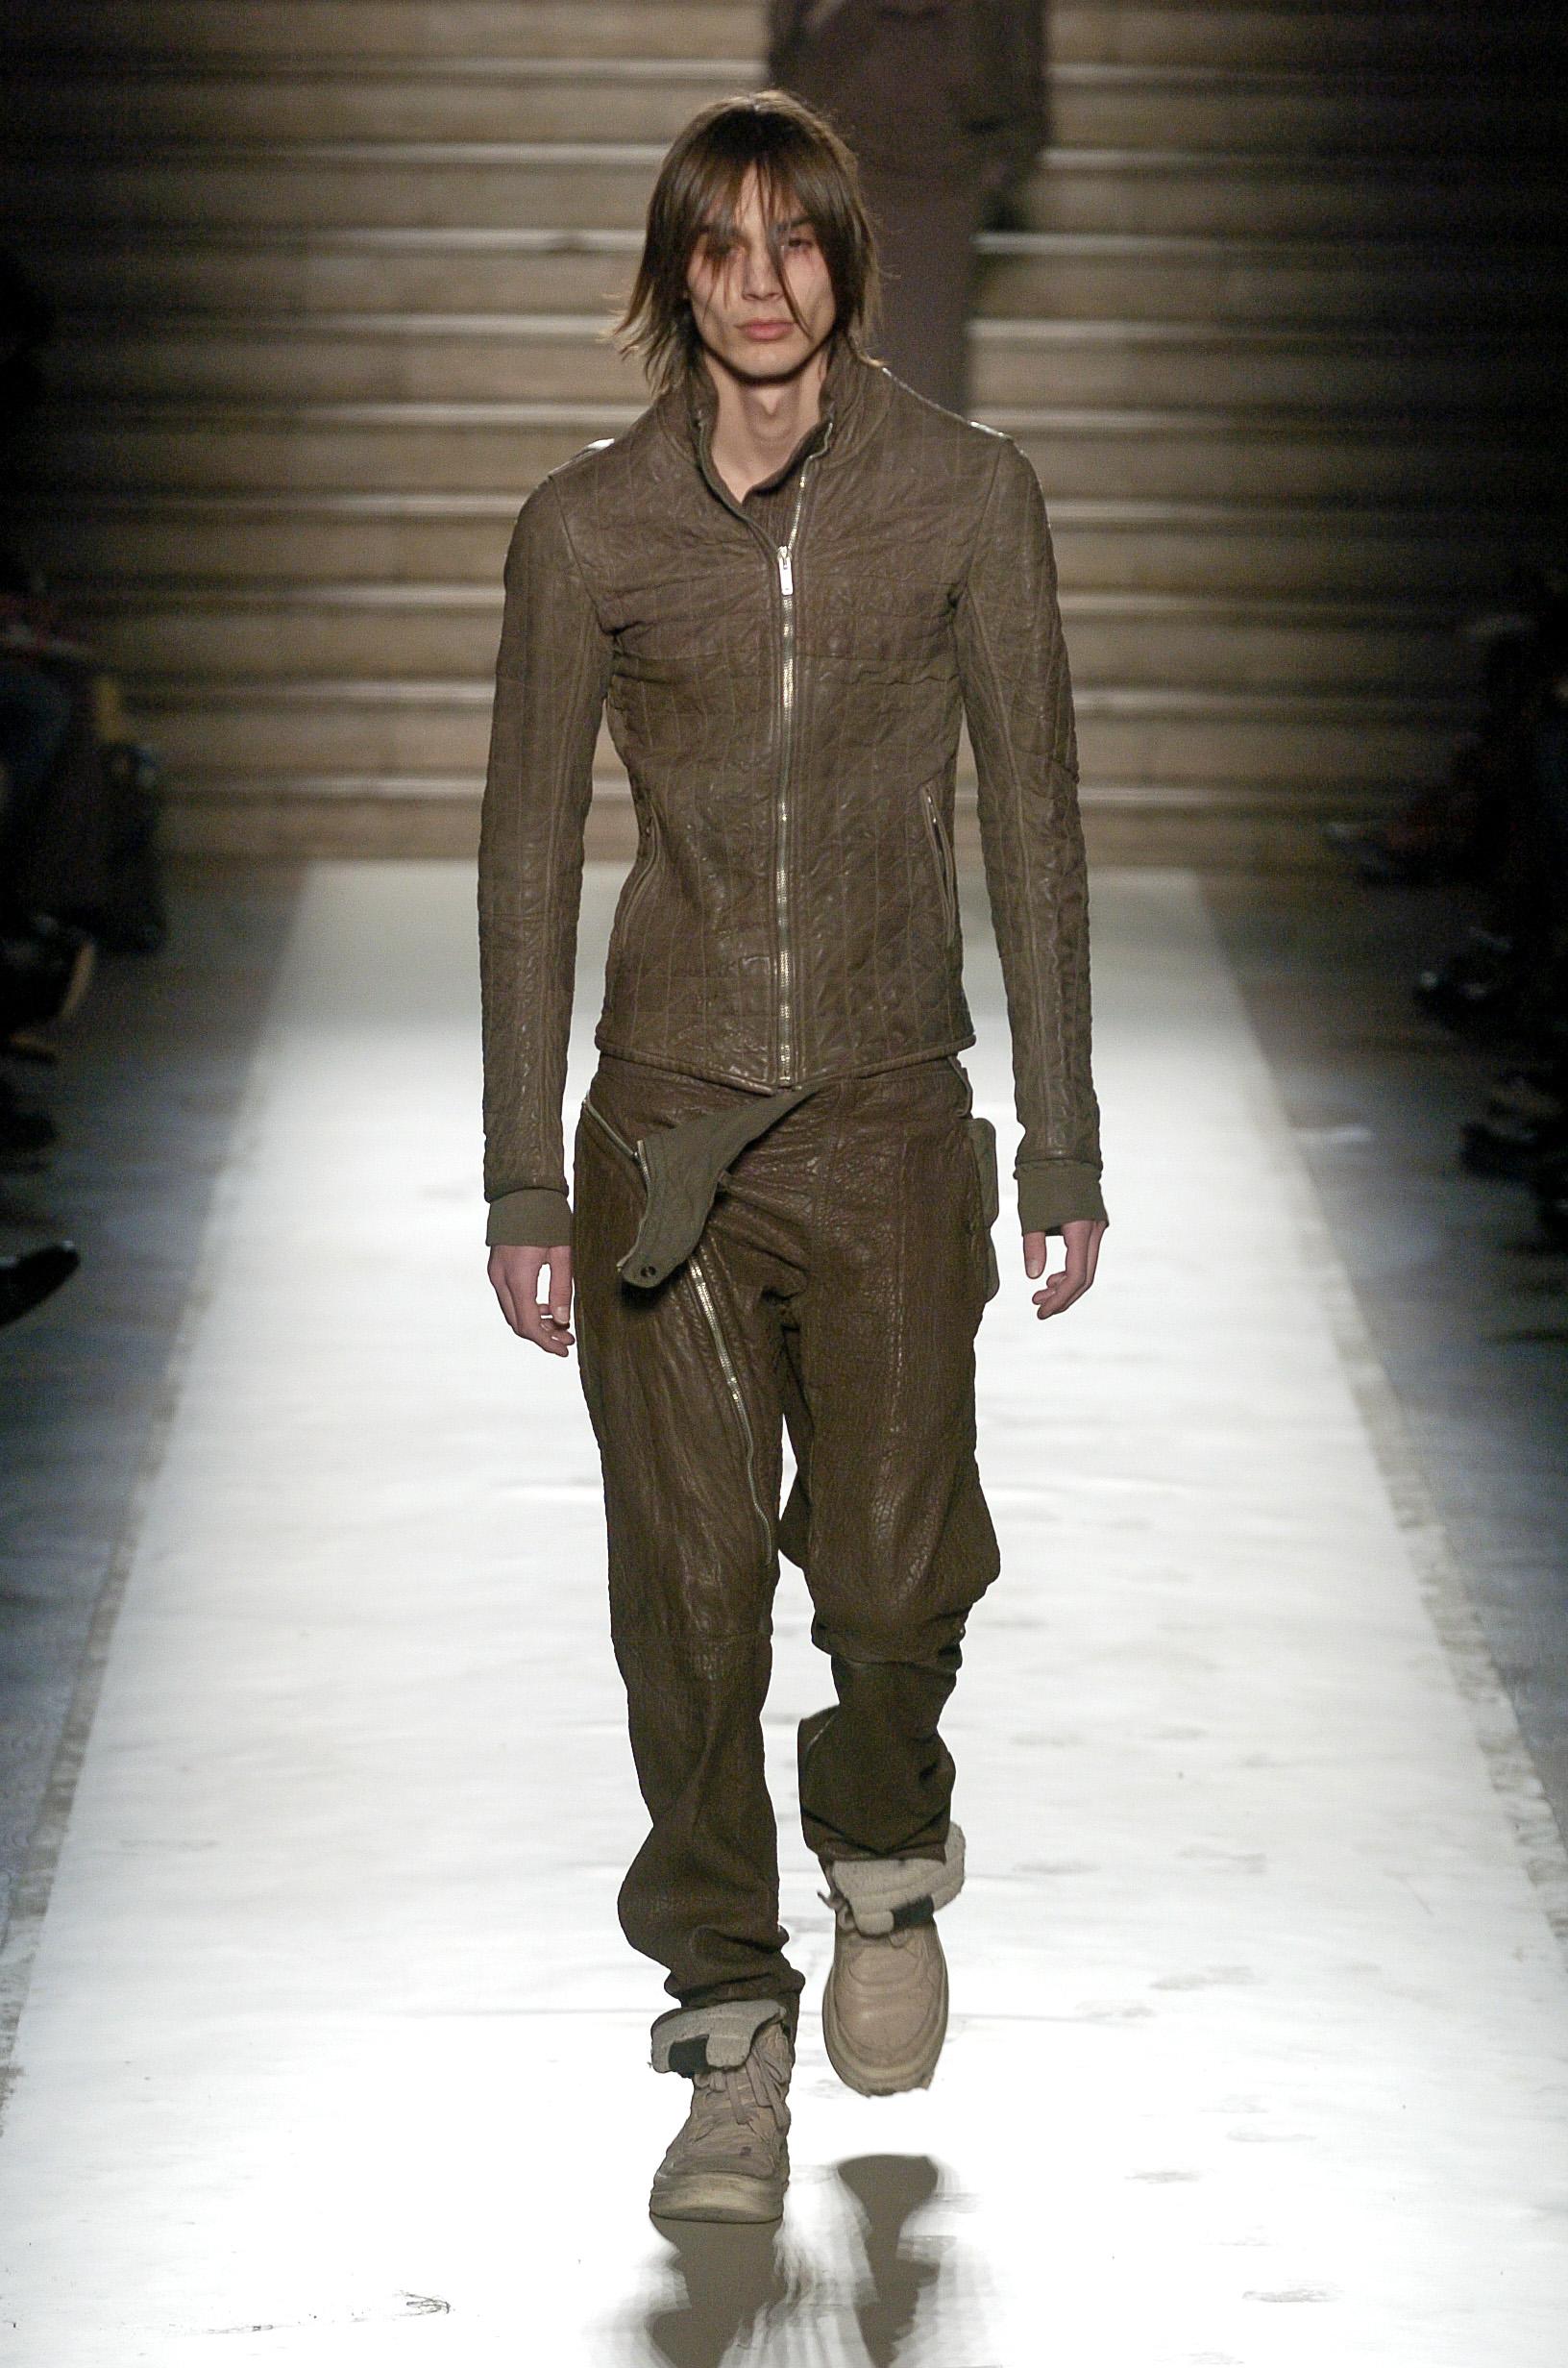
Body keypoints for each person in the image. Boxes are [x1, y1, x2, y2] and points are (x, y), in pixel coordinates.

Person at [478, 91, 1108, 2226]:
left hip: (891, 1113)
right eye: (722, 248)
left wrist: (1060, 1137)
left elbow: (1035, 822)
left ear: (846, 257)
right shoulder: (586, 527)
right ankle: (728, 2027)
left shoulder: (967, 493)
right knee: (686, 1597)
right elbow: (520, 857)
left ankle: (888, 1847)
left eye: (797, 243)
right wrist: (523, 1174)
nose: (762, 284)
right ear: (676, 274)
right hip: (664, 1132)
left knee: (898, 1570)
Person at [767, 1, 1047, 411]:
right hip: (850, 144)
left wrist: (1007, 153)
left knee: (924, 375)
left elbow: (1021, 63)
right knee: (844, 368)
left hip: (947, 164)